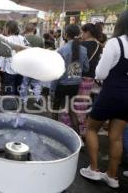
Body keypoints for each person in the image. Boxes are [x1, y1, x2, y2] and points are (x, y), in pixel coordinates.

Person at [80, 10, 128, 189]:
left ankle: (93, 168)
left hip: (110, 93)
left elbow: (100, 73)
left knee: (91, 128)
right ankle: (112, 176)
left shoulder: (116, 43)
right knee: (116, 138)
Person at [51, 24, 89, 134]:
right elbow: (86, 68)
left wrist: (52, 89)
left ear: (66, 35)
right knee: (72, 112)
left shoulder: (62, 50)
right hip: (75, 85)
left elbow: (57, 73)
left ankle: (54, 135)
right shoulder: (83, 50)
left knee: (55, 110)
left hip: (62, 85)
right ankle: (78, 139)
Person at [0, 21, 26, 96]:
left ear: (8, 28)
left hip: (9, 70)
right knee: (18, 90)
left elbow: (2, 57)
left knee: (9, 91)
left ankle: (11, 106)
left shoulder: (6, 40)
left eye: (5, 28)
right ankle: (17, 105)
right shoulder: (23, 39)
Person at [20, 23, 43, 106]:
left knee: (25, 83)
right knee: (36, 83)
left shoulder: (22, 39)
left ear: (26, 30)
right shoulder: (40, 39)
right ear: (34, 30)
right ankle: (37, 98)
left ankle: (24, 100)